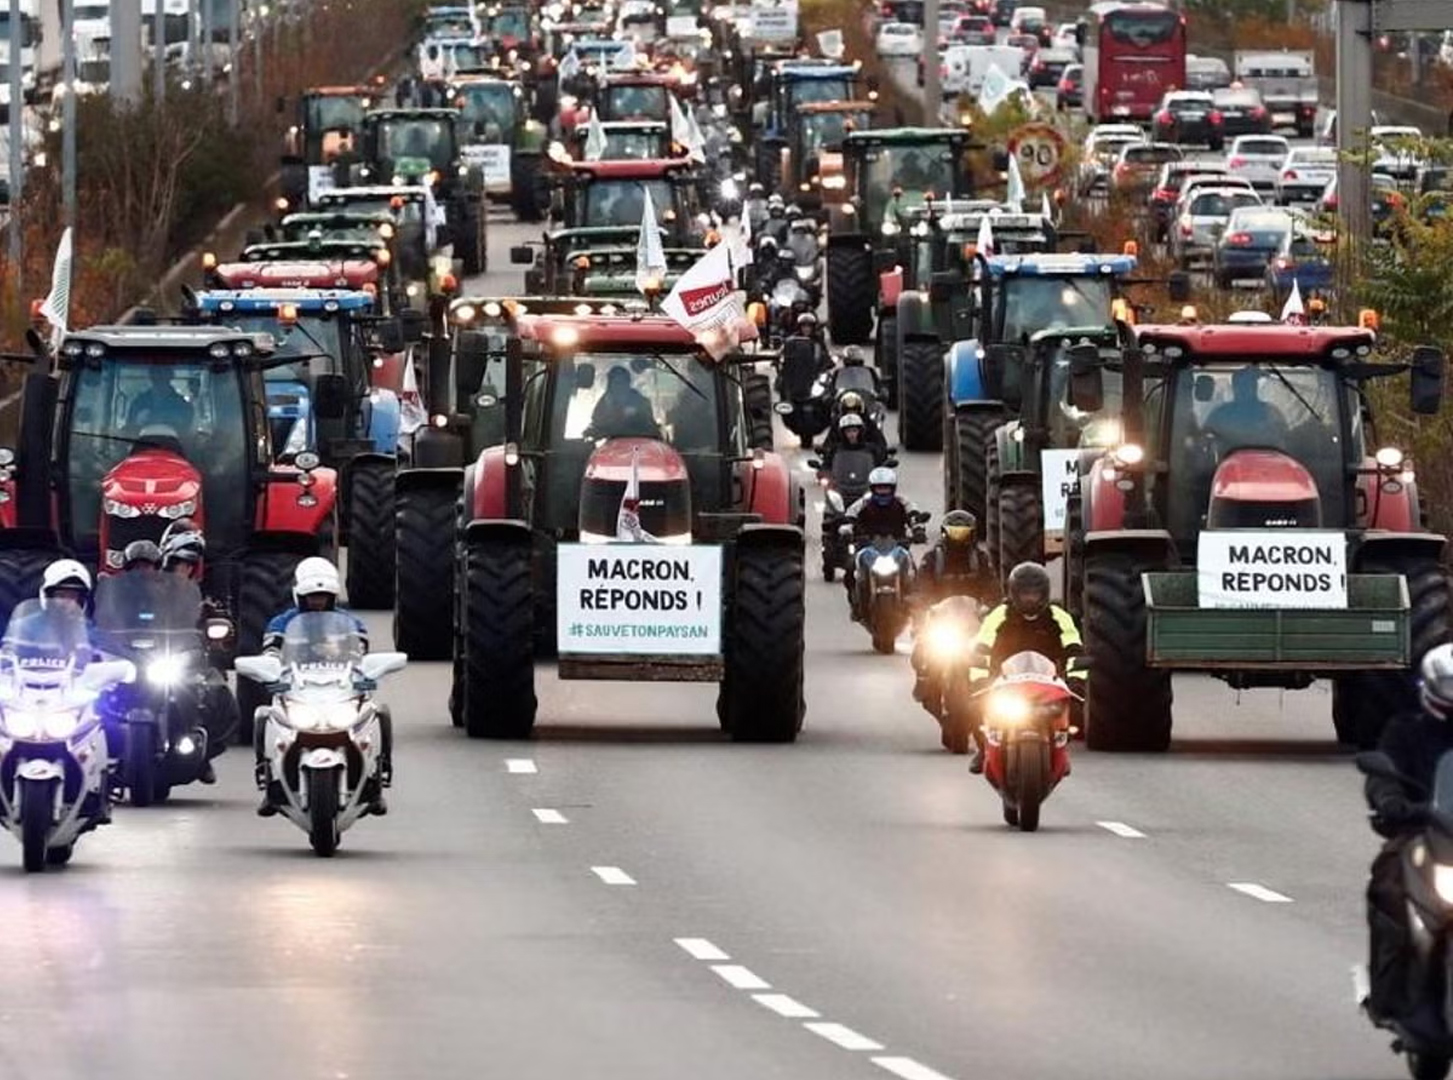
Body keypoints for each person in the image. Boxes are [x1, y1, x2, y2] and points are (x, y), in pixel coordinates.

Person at [1364, 643, 1453, 1043]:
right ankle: (1391, 994)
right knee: (1388, 886)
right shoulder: (1407, 731)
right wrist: (1390, 802)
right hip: (1424, 834)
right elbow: (1383, 773)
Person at [257, 557, 385, 816]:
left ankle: (377, 782)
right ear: (300, 595)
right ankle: (269, 781)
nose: (317, 601)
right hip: (297, 686)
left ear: (333, 596)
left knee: (380, 713)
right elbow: (270, 654)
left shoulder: (351, 624)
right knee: (263, 716)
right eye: (312, 596)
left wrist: (367, 673)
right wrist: (270, 671)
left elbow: (360, 657)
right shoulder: (281, 623)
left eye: (323, 596)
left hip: (339, 686)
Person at [967, 561, 1084, 772]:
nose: (1030, 598)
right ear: (1013, 593)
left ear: (1045, 594)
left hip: (1048, 683)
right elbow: (981, 650)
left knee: (1074, 709)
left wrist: (1077, 682)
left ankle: (1059, 751)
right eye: (1024, 594)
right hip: (1004, 682)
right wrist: (979, 681)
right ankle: (983, 749)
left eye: (1035, 594)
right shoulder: (998, 616)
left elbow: (1075, 650)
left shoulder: (1060, 617)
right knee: (975, 707)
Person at [911, 510, 998, 712]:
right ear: (944, 533)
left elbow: (993, 587)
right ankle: (924, 681)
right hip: (941, 619)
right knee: (920, 649)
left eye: (963, 532)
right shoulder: (932, 558)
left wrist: (991, 606)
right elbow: (921, 587)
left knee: (996, 653)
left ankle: (990, 689)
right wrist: (922, 606)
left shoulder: (982, 558)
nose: (959, 536)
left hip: (973, 620)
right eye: (954, 531)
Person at [840, 467, 924, 619]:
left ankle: (914, 604)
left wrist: (918, 530)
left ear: (893, 488)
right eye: (879, 488)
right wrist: (847, 531)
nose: (883, 492)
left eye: (886, 488)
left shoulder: (902, 502)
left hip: (897, 546)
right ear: (872, 489)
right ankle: (855, 603)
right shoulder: (863, 503)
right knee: (850, 567)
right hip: (869, 547)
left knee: (914, 570)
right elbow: (849, 517)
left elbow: (914, 517)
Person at [1202, 365, 1284, 446]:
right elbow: (1205, 438)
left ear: (1255, 386)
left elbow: (1282, 439)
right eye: (1241, 384)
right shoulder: (1219, 414)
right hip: (1227, 456)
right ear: (1235, 387)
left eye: (1248, 384)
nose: (1245, 388)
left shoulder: (1271, 412)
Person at [588, 365, 662, 439]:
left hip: (638, 445)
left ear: (628, 384)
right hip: (611, 446)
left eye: (622, 382)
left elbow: (650, 429)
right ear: (610, 385)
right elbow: (596, 425)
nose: (619, 387)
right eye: (616, 383)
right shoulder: (604, 404)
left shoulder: (641, 403)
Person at [127, 367, 194, 432]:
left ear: (170, 377)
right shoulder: (138, 403)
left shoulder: (183, 405)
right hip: (142, 442)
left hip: (175, 443)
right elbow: (129, 430)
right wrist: (139, 421)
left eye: (163, 378)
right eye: (156, 378)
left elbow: (189, 432)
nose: (160, 380)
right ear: (151, 378)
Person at [817, 412, 888, 471]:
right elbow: (827, 465)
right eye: (848, 431)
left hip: (865, 484)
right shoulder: (836, 450)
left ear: (860, 432)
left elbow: (879, 466)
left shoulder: (870, 449)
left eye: (854, 430)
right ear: (843, 433)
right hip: (840, 484)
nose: (852, 434)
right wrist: (823, 470)